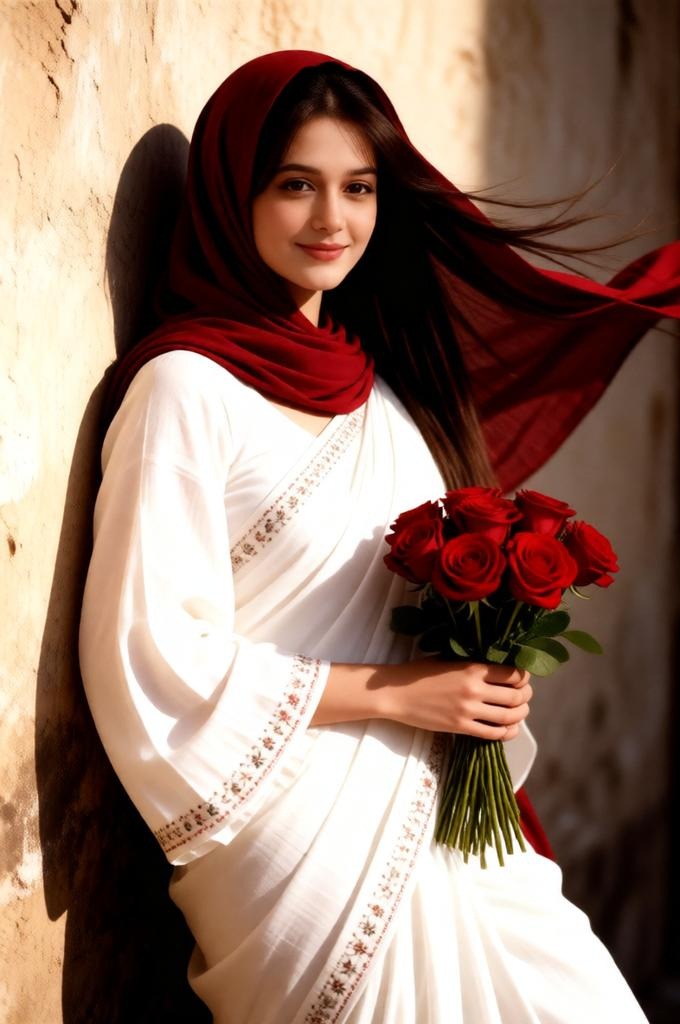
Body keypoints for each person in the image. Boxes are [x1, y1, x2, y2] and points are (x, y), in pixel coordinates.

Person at [79, 50, 680, 1023]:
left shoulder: (383, 395)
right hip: (297, 834)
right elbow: (150, 652)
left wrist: (483, 669)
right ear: (236, 196)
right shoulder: (183, 391)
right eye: (294, 187)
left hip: (443, 807)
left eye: (356, 188)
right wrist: (406, 692)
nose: (331, 221)